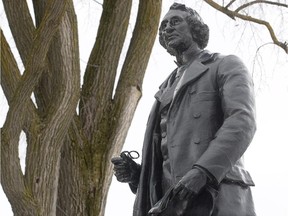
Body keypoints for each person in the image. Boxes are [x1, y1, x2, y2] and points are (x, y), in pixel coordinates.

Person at [111, 3, 257, 216]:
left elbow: (242, 121)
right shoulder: (164, 89)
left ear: (195, 28)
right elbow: (167, 157)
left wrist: (203, 171)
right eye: (163, 26)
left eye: (175, 21)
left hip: (215, 196)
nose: (167, 28)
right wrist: (138, 175)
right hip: (170, 205)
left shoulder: (225, 65)